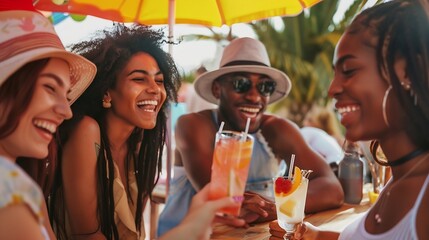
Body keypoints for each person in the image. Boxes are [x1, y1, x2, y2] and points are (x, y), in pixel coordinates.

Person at [48, 24, 245, 240]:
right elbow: (86, 236)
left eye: (159, 81)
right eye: (139, 79)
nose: (155, 89)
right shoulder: (87, 131)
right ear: (107, 92)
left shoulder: (141, 143)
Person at [270, 0, 429, 239]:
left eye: (349, 70)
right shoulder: (399, 178)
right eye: (334, 73)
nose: (332, 89)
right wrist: (315, 236)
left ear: (404, 71)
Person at [158, 37, 344, 236]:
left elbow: (333, 188)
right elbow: (222, 201)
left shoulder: (276, 129)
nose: (255, 97)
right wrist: (272, 207)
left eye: (265, 87)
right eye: (241, 84)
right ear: (217, 89)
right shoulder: (193, 125)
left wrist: (278, 206)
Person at [0, 3, 97, 239]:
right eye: (50, 87)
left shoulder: (19, 182)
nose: (67, 112)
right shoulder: (9, 188)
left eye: (67, 95)